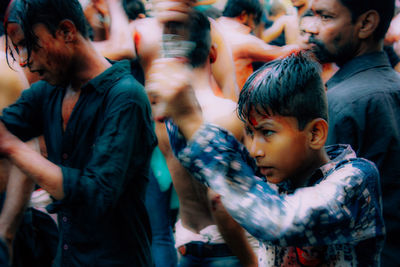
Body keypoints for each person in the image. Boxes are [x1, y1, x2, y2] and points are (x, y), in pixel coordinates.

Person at [147, 51, 386, 266]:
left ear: (315, 133)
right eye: (250, 133)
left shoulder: (355, 179)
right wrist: (177, 111)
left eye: (267, 132)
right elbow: (207, 164)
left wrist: (190, 118)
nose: (254, 149)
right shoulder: (274, 174)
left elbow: (279, 221)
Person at [1, 0, 156, 266]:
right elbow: (6, 124)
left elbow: (95, 194)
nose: (27, 61)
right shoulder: (50, 90)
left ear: (66, 31)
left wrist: (13, 147)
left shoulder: (125, 97)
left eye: (30, 44)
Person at [148, 10, 259, 267]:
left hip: (188, 242)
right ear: (213, 54)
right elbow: (220, 200)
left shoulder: (161, 115)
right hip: (229, 250)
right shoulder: (228, 115)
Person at [304, 0, 400, 265]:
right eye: (311, 16)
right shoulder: (390, 86)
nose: (311, 28)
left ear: (366, 24)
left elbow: (322, 216)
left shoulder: (339, 103)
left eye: (325, 17)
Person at [216, 0, 298, 95]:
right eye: (254, 19)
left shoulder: (213, 28)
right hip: (233, 101)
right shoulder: (243, 40)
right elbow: (281, 53)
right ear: (243, 16)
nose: (253, 26)